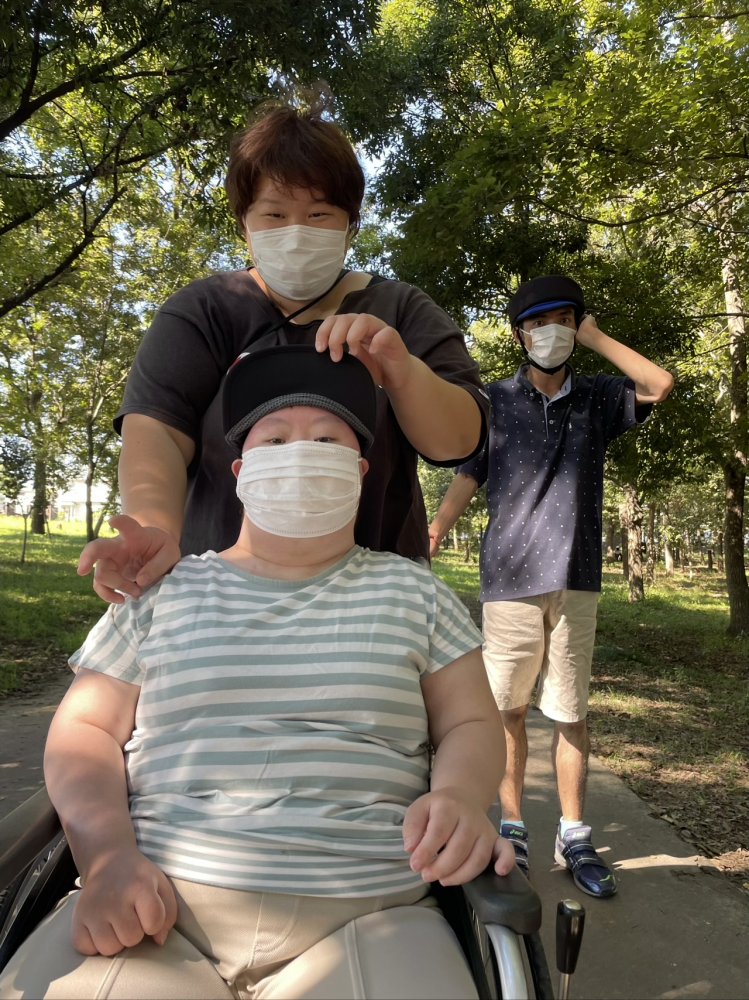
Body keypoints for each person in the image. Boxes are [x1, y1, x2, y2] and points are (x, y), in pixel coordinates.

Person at [0, 346, 514, 1000]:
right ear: (241, 472)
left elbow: (471, 721)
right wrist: (104, 856)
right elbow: (84, 730)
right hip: (155, 901)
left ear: (358, 471)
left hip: (372, 912)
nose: (300, 452)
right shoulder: (161, 594)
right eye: (275, 439)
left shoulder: (416, 594)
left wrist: (462, 797)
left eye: (326, 439)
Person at [78, 102, 489, 605]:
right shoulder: (203, 311)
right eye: (274, 214)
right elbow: (157, 430)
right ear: (244, 223)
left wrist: (402, 372)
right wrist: (153, 528)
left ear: (350, 224)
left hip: (376, 599)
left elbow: (459, 441)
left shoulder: (401, 309)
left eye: (319, 214)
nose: (296, 233)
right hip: (219, 596)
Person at [428, 275, 674, 899]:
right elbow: (469, 474)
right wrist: (433, 532)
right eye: (540, 322)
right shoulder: (494, 401)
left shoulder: (598, 398)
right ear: (520, 334)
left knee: (570, 713)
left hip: (576, 579)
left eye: (564, 319)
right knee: (506, 711)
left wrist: (595, 338)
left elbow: (658, 384)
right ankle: (512, 828)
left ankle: (575, 835)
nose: (552, 331)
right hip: (509, 579)